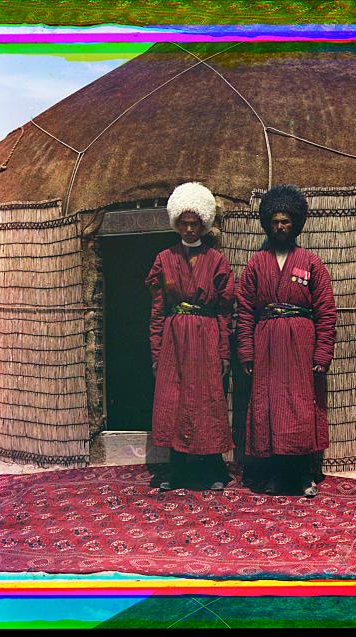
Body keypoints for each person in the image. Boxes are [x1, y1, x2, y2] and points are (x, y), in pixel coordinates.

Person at [236, 184, 337, 497]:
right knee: (269, 407)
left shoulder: (310, 263)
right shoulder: (255, 265)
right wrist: (247, 353)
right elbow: (244, 313)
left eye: (286, 221)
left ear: (296, 224)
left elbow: (326, 312)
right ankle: (273, 478)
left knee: (299, 407)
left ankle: (302, 477)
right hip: (266, 344)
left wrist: (321, 355)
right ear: (268, 223)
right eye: (275, 221)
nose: (280, 227)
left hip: (300, 346)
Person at [145, 182, 234, 491]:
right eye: (183, 223)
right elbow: (157, 311)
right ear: (175, 224)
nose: (189, 229)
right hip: (174, 339)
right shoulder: (164, 259)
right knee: (174, 399)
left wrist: (224, 351)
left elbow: (224, 311)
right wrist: (156, 352)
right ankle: (176, 470)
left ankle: (212, 470)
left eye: (194, 223)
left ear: (204, 224)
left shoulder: (217, 261)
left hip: (207, 336)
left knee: (207, 399)